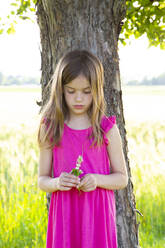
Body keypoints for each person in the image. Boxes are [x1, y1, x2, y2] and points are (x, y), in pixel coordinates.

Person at [37, 49, 128, 248]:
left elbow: (122, 178)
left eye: (86, 92)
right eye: (71, 91)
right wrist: (57, 182)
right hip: (65, 217)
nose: (79, 98)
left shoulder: (106, 129)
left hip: (97, 218)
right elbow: (42, 180)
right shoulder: (50, 128)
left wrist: (97, 180)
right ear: (61, 89)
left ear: (96, 90)